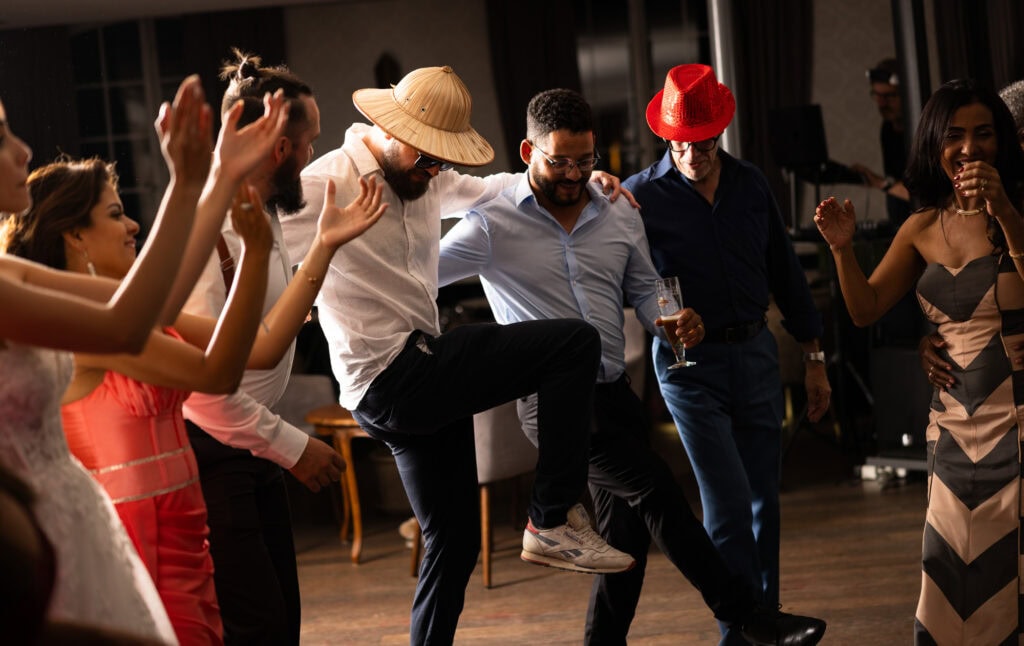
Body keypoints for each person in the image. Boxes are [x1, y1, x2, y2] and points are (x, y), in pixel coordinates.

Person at [439, 87, 827, 646]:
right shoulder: (492, 224)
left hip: (615, 391)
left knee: (624, 545)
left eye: (585, 160)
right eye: (559, 160)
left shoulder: (618, 210)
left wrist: (668, 320)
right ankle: (749, 615)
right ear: (528, 152)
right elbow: (416, 276)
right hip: (552, 402)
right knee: (657, 491)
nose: (574, 173)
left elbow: (645, 286)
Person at [281, 65, 638, 645]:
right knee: (573, 342)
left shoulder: (429, 178)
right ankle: (550, 518)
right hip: (392, 377)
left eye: (442, 161)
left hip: (416, 386)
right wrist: (286, 298)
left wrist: (593, 179)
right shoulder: (328, 183)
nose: (435, 172)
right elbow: (258, 247)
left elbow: (498, 186)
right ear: (388, 130)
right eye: (425, 157)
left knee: (454, 542)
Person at [3, 152, 384, 642]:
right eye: (117, 214)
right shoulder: (89, 324)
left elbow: (261, 346)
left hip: (186, 521)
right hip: (144, 526)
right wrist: (208, 196)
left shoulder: (124, 308)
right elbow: (218, 372)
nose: (134, 224)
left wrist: (321, 246)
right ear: (75, 235)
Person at [0, 76, 215, 644]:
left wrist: (206, 185)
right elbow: (126, 326)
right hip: (27, 534)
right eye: (0, 137)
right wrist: (191, 184)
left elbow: (156, 305)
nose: (23, 150)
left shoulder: (8, 274)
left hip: (80, 515)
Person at [623, 64, 832, 646]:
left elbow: (787, 277)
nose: (695, 156)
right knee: (729, 504)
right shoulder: (636, 197)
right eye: (684, 145)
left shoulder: (750, 183)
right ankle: (740, 633)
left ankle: (769, 621)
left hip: (758, 353)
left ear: (721, 132)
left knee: (765, 501)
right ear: (667, 137)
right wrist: (657, 319)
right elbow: (627, 285)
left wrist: (815, 360)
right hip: (689, 368)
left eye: (706, 143)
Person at [815, 78, 1024, 644]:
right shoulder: (921, 227)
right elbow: (866, 310)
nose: (969, 148)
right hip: (953, 429)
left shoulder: (1019, 212)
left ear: (1001, 143)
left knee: (1014, 575)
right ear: (936, 144)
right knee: (946, 568)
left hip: (1019, 424)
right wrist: (840, 248)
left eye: (984, 134)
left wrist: (1004, 208)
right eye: (955, 136)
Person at [179, 50, 368, 645]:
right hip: (215, 448)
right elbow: (203, 392)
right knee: (255, 627)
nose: (313, 154)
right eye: (309, 142)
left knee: (281, 620)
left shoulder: (266, 210)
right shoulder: (207, 230)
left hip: (250, 441)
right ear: (281, 151)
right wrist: (290, 445)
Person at [849, 58, 912, 227]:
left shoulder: (922, 130)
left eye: (889, 96)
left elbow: (926, 195)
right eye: (877, 96)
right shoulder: (887, 129)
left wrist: (879, 182)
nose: (881, 104)